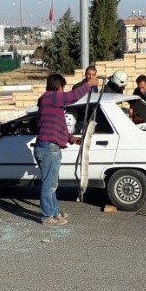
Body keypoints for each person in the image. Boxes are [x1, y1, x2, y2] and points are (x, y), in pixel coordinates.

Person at [35, 73, 98, 226]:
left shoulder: (52, 104)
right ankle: (47, 216)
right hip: (49, 148)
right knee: (48, 185)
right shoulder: (51, 97)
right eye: (63, 88)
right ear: (58, 87)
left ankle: (54, 212)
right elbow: (73, 96)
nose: (64, 91)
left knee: (51, 184)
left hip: (49, 147)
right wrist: (89, 85)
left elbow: (60, 126)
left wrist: (71, 139)